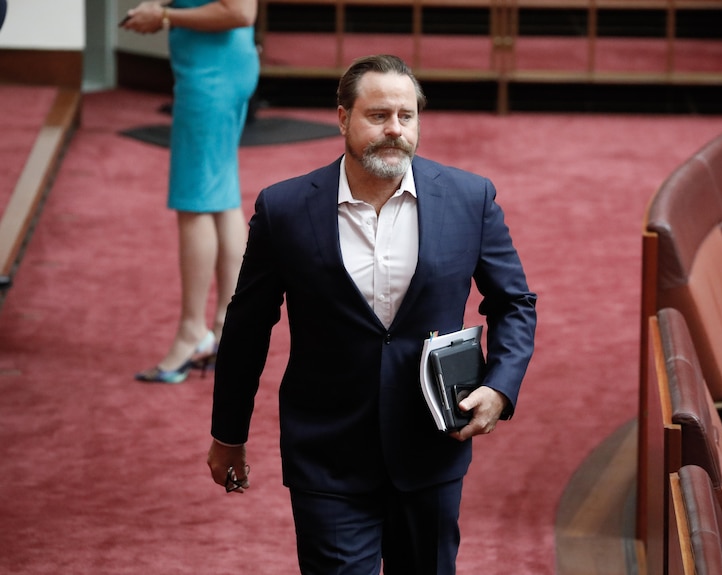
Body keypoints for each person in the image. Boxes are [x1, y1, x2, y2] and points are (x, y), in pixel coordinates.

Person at [207, 54, 537, 574]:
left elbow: (514, 303)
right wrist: (229, 434)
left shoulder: (470, 198)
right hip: (327, 454)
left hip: (431, 447)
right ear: (342, 118)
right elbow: (247, 328)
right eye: (378, 115)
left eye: (406, 116)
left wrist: (500, 386)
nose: (394, 130)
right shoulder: (284, 209)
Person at [121, 0, 259, 383]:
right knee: (221, 200)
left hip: (210, 75)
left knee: (195, 203)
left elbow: (240, 11)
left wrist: (164, 16)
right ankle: (220, 329)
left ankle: (191, 331)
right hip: (220, 67)